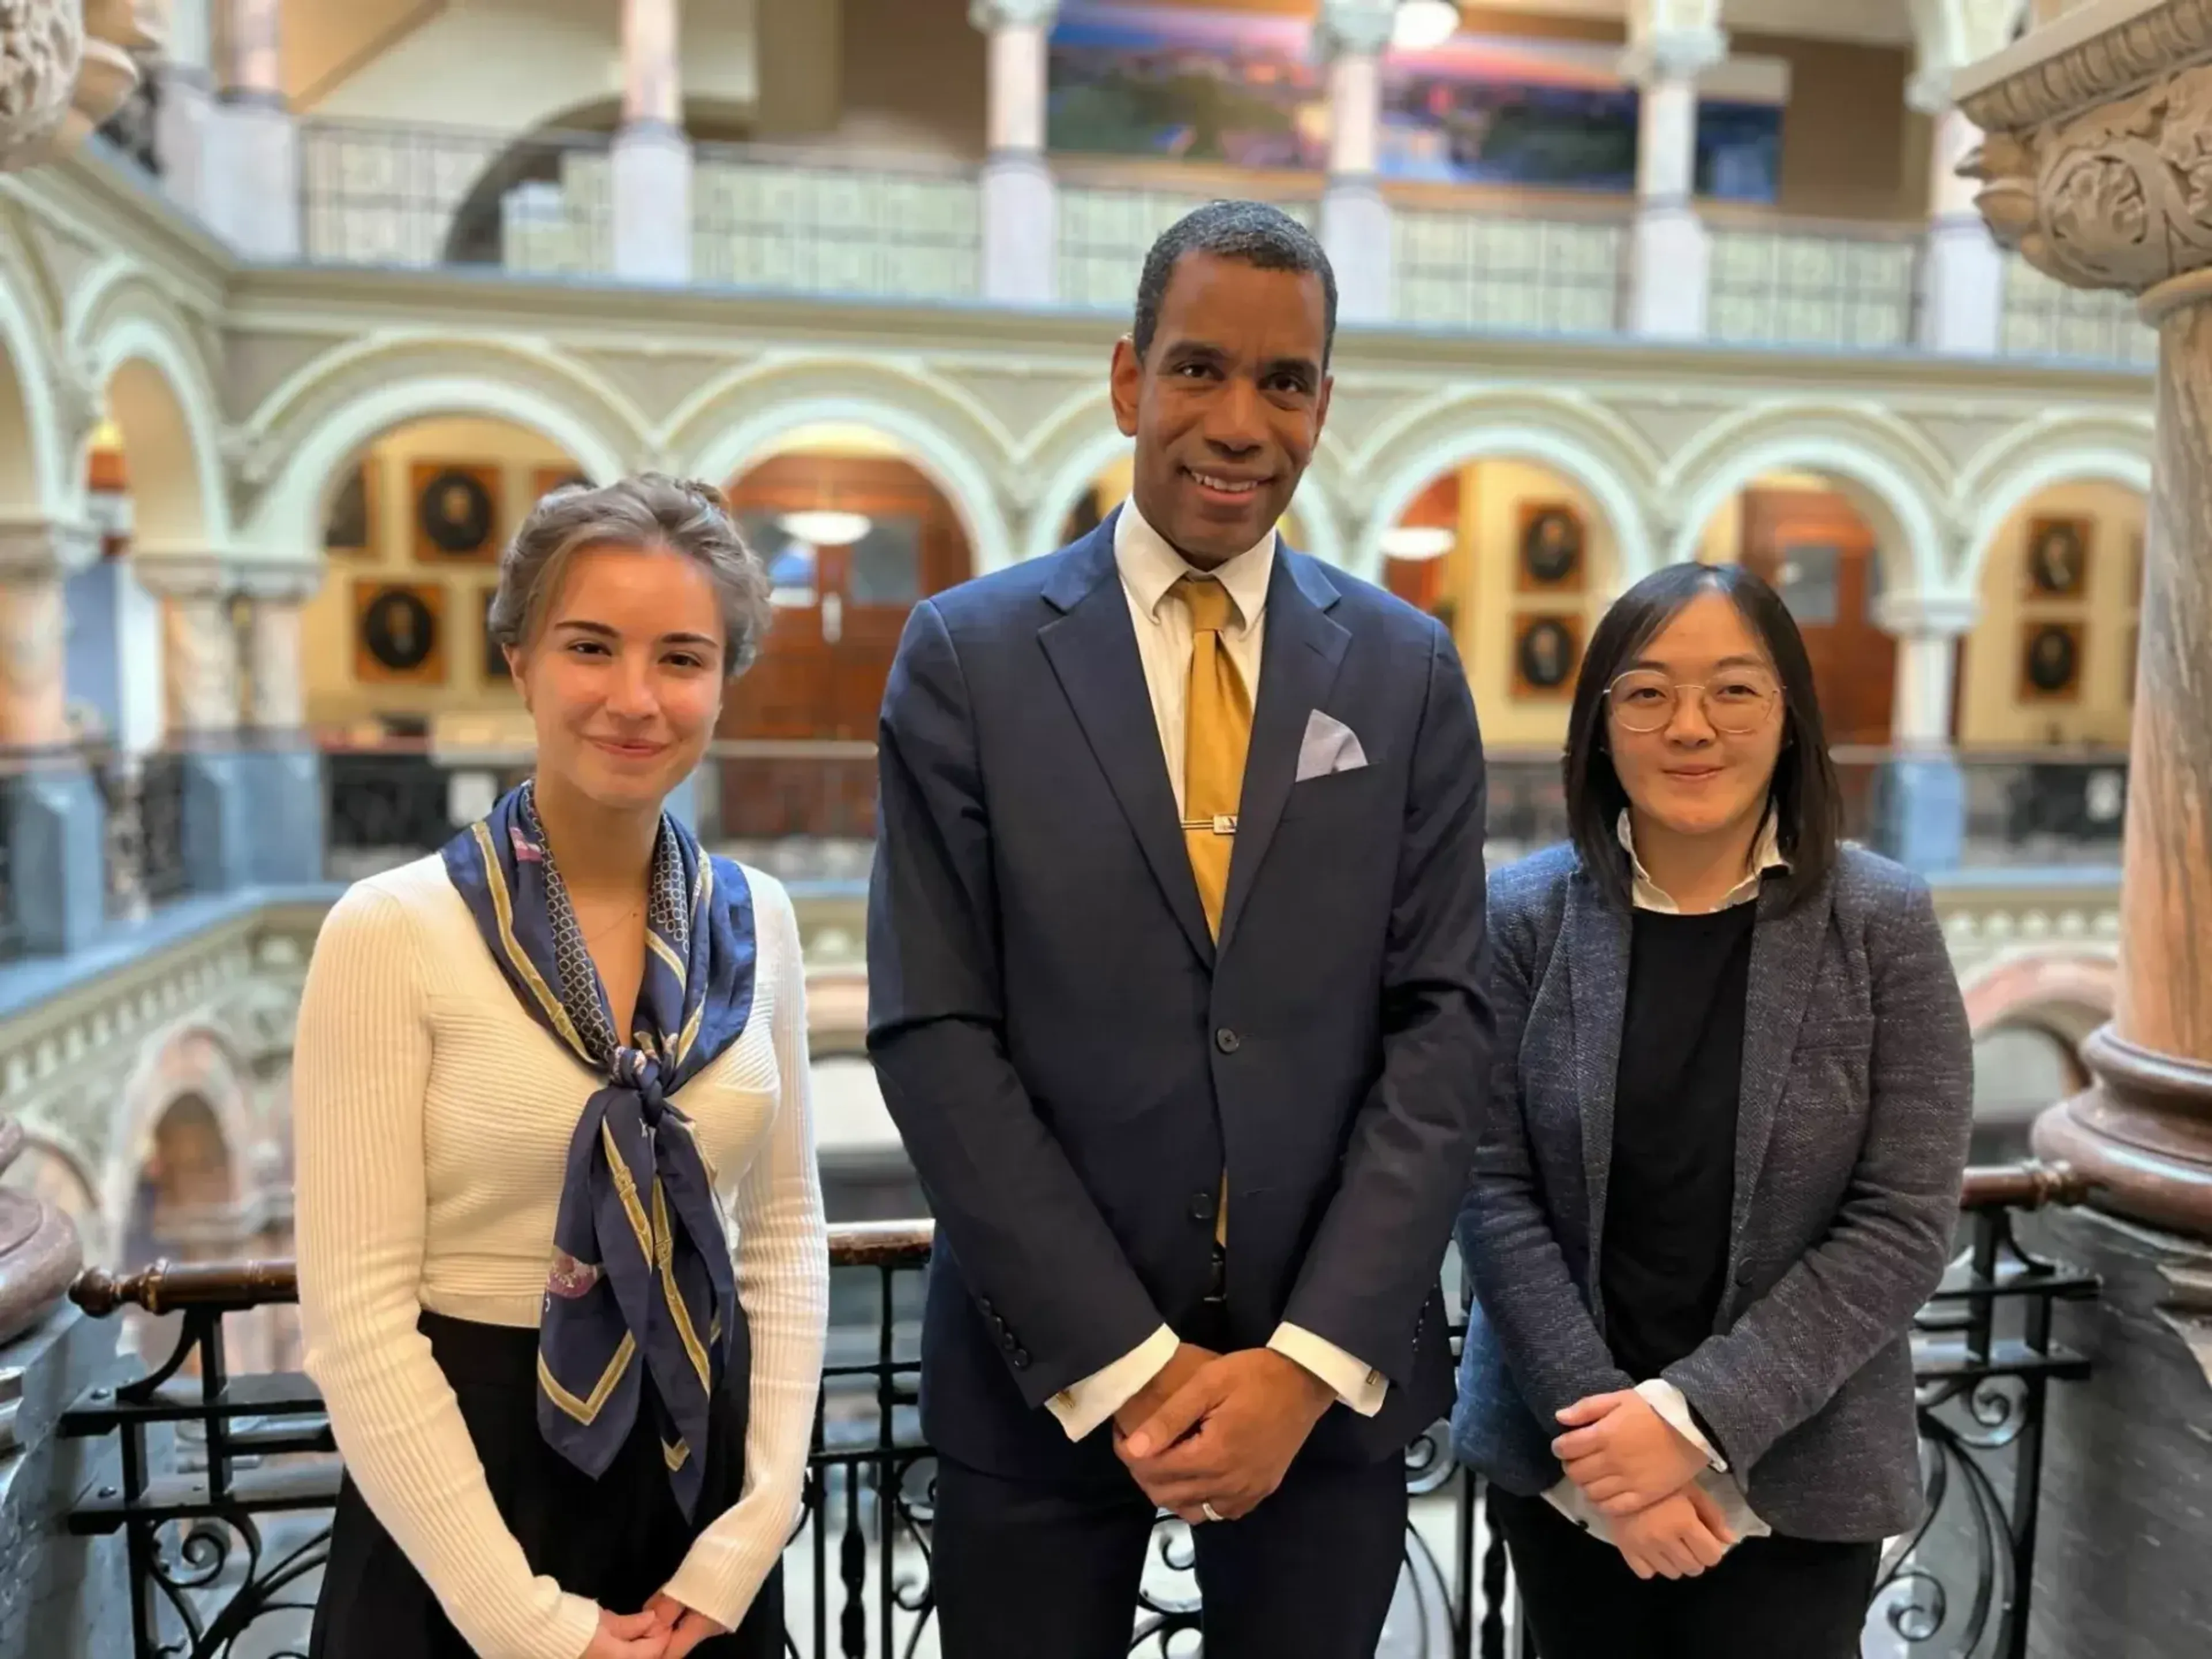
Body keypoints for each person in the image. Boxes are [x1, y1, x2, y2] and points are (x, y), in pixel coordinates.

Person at [866, 200, 1493, 1658]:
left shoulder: (1404, 671)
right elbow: (934, 1028)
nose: (1240, 420)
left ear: (1324, 404)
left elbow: (1443, 1025)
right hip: (1047, 1373)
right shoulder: (966, 656)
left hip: (1318, 1387)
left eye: (1286, 383)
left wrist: (1305, 1362)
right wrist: (1130, 1368)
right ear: (1127, 379)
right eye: (1200, 369)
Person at [293, 475, 828, 1659]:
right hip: (467, 1510)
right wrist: (528, 1624)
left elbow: (784, 1238)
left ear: (722, 685)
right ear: (521, 657)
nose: (636, 699)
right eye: (592, 647)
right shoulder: (393, 932)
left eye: (682, 659)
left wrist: (757, 1525)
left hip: (700, 1506)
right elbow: (357, 1320)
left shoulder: (761, 922)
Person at [1452, 561, 1974, 1658]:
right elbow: (1489, 1188)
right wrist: (1616, 1453)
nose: (1691, 726)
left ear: (1790, 718)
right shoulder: (1520, 916)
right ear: (1600, 726)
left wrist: (1687, 1421)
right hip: (1570, 1473)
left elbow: (1902, 1220)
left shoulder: (1883, 922)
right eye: (1647, 693)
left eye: (1735, 690)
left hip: (1797, 1479)